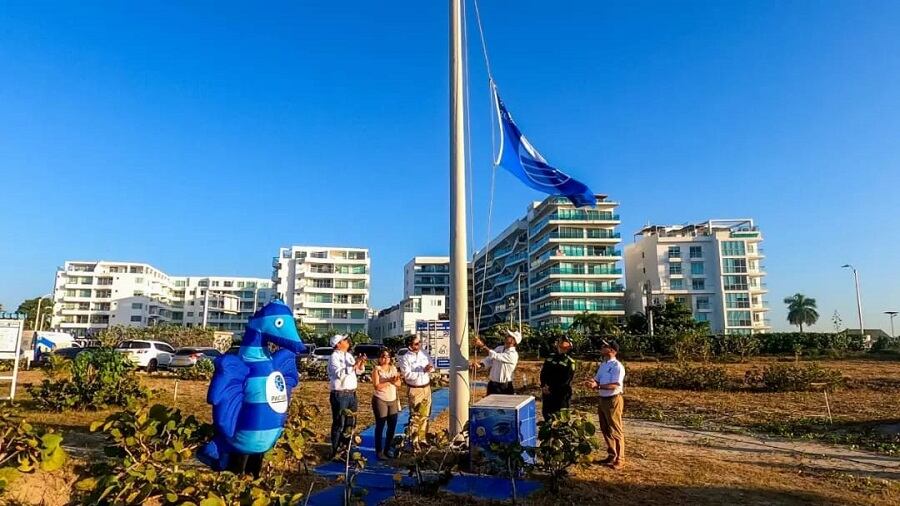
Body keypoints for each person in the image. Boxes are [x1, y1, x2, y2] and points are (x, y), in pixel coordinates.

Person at [586, 339, 625, 469]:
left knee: (615, 429)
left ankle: (620, 458)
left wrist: (597, 386)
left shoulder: (617, 366)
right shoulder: (603, 364)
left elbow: (615, 385)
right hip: (602, 398)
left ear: (612, 350)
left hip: (613, 399)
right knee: (605, 428)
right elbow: (597, 379)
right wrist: (591, 382)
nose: (602, 347)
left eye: (605, 346)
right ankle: (611, 454)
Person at [327, 334, 366, 459]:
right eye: (344, 340)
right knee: (339, 423)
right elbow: (339, 373)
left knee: (350, 423)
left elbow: (358, 371)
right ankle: (335, 451)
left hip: (351, 393)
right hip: (340, 394)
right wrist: (353, 366)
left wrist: (360, 363)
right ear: (338, 344)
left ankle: (345, 450)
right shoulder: (334, 357)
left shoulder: (348, 356)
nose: (347, 341)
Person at [398, 334, 434, 447]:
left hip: (426, 387)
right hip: (415, 389)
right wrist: (422, 370)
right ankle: (414, 441)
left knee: (426, 414)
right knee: (415, 415)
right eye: (416, 343)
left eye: (419, 343)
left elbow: (431, 365)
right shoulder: (405, 358)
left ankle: (422, 439)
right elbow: (407, 375)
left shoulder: (424, 354)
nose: (419, 345)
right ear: (410, 345)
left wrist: (429, 368)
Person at [371, 347, 401, 460]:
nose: (386, 358)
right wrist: (389, 381)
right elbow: (377, 386)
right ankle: (379, 451)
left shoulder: (393, 368)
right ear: (379, 358)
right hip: (380, 399)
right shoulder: (376, 369)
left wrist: (395, 380)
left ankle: (387, 449)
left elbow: (398, 384)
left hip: (392, 399)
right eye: (383, 356)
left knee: (392, 426)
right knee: (380, 425)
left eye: (388, 356)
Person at [472, 329, 520, 395]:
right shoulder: (499, 348)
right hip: (492, 385)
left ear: (513, 341)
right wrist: (480, 365)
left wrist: (482, 345)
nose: (506, 336)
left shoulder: (513, 354)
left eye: (509, 336)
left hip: (504, 386)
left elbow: (495, 355)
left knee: (504, 404)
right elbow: (489, 359)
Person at [540, 334, 576, 420]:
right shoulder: (550, 357)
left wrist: (551, 389)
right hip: (547, 393)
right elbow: (543, 373)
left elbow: (566, 380)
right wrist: (543, 386)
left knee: (562, 420)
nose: (562, 342)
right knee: (547, 417)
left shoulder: (570, 361)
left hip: (561, 395)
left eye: (565, 341)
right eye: (560, 341)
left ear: (570, 345)